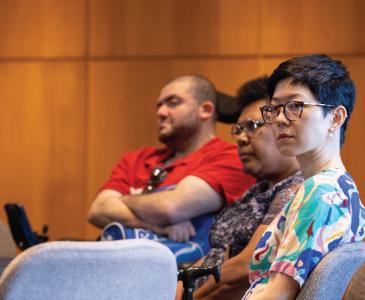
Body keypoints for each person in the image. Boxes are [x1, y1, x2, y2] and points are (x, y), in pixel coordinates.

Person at [88, 74, 255, 263]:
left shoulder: (230, 156)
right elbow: (98, 209)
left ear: (206, 110)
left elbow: (170, 208)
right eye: (159, 105)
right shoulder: (136, 159)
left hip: (184, 281)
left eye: (173, 103)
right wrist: (160, 228)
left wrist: (122, 200)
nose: (161, 112)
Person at [243, 54, 365, 300]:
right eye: (275, 108)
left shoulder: (320, 191)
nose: (279, 118)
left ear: (336, 117)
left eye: (295, 106)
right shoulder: (343, 188)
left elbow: (277, 296)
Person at [176, 76, 303, 300]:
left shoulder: (296, 189)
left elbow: (249, 268)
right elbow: (214, 255)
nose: (242, 138)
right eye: (238, 129)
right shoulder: (257, 190)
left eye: (253, 126)